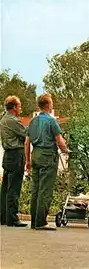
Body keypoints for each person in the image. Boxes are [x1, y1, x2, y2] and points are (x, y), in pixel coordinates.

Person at [25, 93, 69, 230]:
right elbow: (59, 140)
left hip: (35, 154)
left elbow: (27, 143)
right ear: (48, 105)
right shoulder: (51, 121)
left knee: (36, 189)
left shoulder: (33, 122)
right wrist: (66, 150)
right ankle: (41, 221)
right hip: (48, 156)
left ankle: (34, 221)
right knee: (45, 190)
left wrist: (27, 160)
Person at [0, 96, 27, 227]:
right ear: (14, 107)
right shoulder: (13, 121)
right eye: (19, 105)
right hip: (16, 153)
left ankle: (4, 216)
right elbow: (25, 133)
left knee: (5, 186)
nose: (20, 108)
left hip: (8, 155)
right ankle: (12, 217)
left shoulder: (3, 119)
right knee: (14, 187)